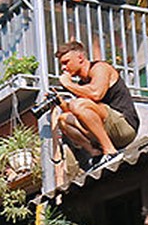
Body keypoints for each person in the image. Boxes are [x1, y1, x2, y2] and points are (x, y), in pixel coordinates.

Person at [54, 39, 140, 171]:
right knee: (64, 120)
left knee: (79, 105)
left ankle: (110, 152)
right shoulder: (82, 85)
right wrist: (59, 101)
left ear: (80, 58)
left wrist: (68, 84)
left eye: (66, 62)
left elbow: (96, 94)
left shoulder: (100, 68)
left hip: (124, 127)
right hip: (106, 131)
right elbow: (77, 113)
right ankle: (96, 154)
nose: (63, 68)